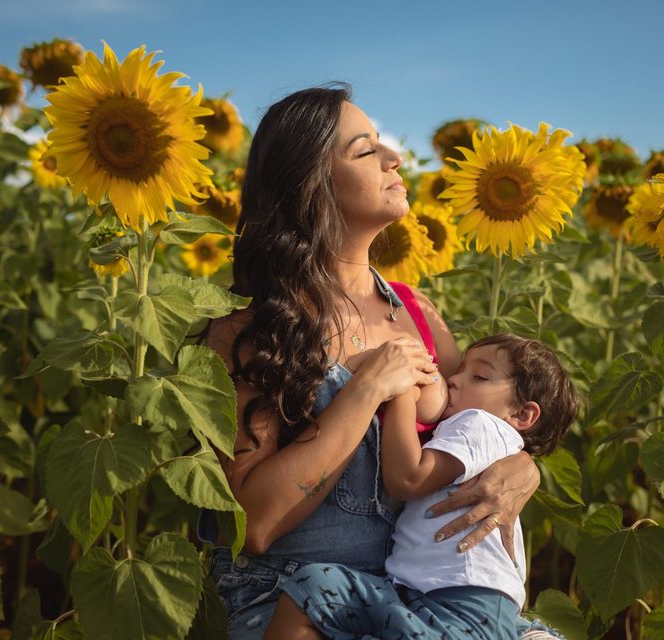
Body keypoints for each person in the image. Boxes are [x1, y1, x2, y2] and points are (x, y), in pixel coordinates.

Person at [202, 85, 543, 639]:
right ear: (310, 186)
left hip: (416, 605)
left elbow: (486, 427)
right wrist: (364, 392)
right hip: (290, 603)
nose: (395, 158)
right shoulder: (247, 329)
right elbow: (254, 524)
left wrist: (524, 470)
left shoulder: (418, 312)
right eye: (365, 150)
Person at [263, 334, 580, 639]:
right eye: (458, 371)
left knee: (312, 593)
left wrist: (402, 393)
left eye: (479, 377)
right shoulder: (482, 435)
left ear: (522, 414)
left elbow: (407, 478)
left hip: (463, 607)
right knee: (313, 589)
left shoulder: (482, 424)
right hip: (422, 596)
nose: (453, 380)